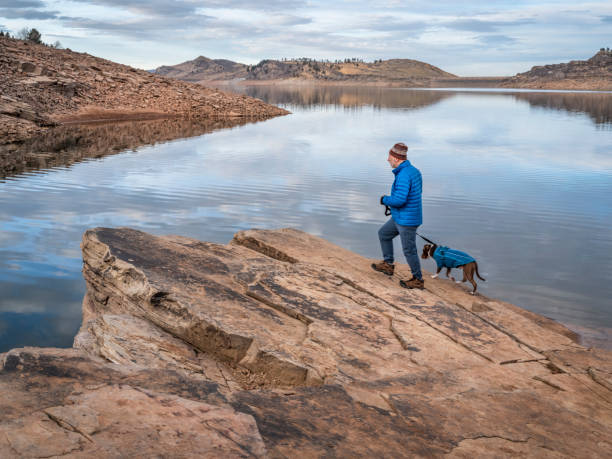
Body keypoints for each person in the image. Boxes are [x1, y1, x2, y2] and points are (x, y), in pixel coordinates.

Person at [371, 142, 424, 289]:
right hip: (401, 217)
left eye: (389, 157)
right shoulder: (414, 171)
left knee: (409, 250)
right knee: (384, 234)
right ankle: (388, 265)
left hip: (407, 220)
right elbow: (416, 193)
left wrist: (385, 200)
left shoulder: (403, 175)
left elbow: (400, 200)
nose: (387, 160)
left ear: (397, 159)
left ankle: (417, 279)